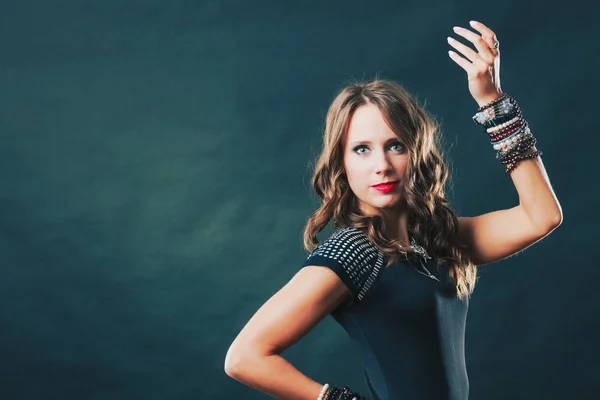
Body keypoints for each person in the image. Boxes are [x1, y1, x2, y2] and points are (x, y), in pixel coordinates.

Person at [224, 20, 562, 400]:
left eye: (395, 145)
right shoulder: (352, 252)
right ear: (342, 163)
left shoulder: (439, 237)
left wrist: (491, 101)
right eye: (362, 149)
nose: (381, 164)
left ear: (416, 154)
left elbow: (542, 216)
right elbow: (244, 357)